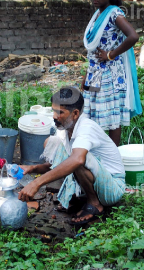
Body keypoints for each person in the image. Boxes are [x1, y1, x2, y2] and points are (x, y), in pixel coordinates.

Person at [18, 87, 126, 226]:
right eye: (53, 111)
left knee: (77, 158)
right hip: (96, 179)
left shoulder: (86, 127)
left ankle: (95, 204)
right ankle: (76, 196)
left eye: (60, 112)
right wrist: (33, 168)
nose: (54, 116)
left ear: (75, 113)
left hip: (112, 188)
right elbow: (58, 164)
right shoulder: (65, 128)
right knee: (51, 143)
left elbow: (77, 160)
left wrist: (36, 183)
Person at [81, 0, 142, 146]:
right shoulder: (97, 14)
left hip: (110, 74)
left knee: (112, 115)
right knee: (94, 113)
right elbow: (93, 50)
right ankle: (97, 152)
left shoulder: (114, 13)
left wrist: (110, 54)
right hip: (95, 72)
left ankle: (113, 156)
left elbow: (133, 36)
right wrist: (87, 74)